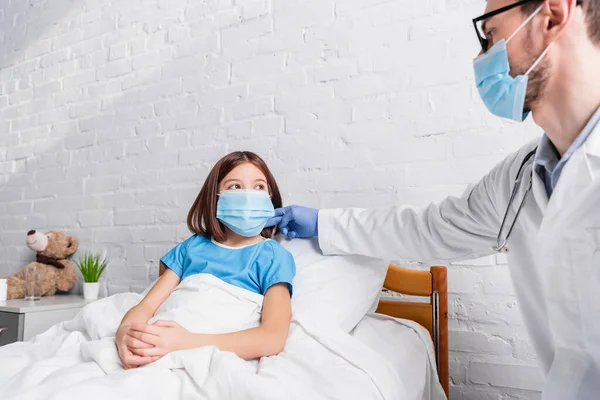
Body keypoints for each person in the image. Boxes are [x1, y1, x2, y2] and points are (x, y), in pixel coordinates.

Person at [266, 0, 600, 398]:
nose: (481, 57)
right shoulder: (522, 178)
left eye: (490, 34)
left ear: (553, 15)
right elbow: (430, 229)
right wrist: (323, 223)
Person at [115, 151, 296, 369]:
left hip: (199, 350)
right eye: (235, 186)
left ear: (270, 198)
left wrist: (186, 342)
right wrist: (125, 333)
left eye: (259, 186)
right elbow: (147, 306)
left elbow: (272, 337)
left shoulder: (273, 256)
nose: (248, 195)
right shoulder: (192, 247)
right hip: (160, 342)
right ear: (215, 197)